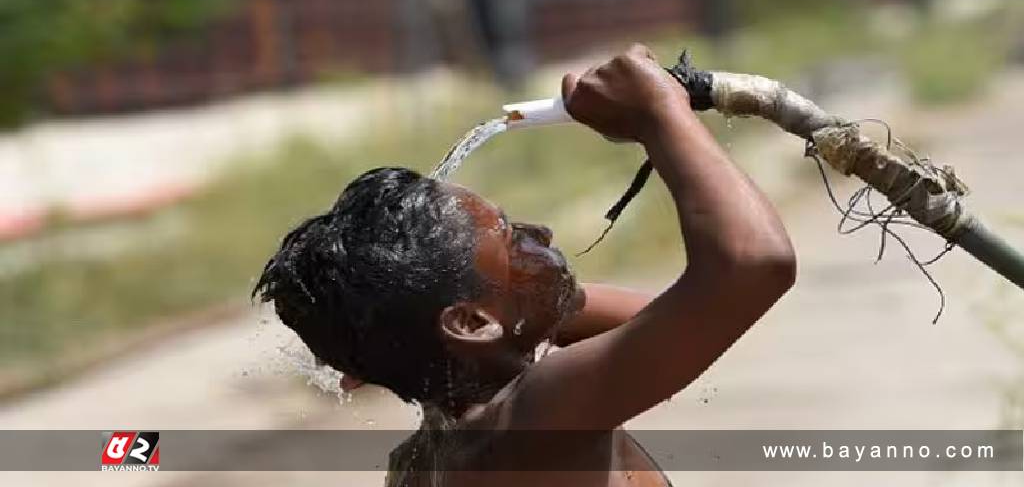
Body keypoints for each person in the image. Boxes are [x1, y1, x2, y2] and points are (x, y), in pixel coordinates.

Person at [253, 44, 797, 486]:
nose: (544, 235)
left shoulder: (423, 462)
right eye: (514, 240)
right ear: (470, 324)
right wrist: (659, 112)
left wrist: (535, 295)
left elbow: (673, 325)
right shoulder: (540, 414)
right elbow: (752, 266)